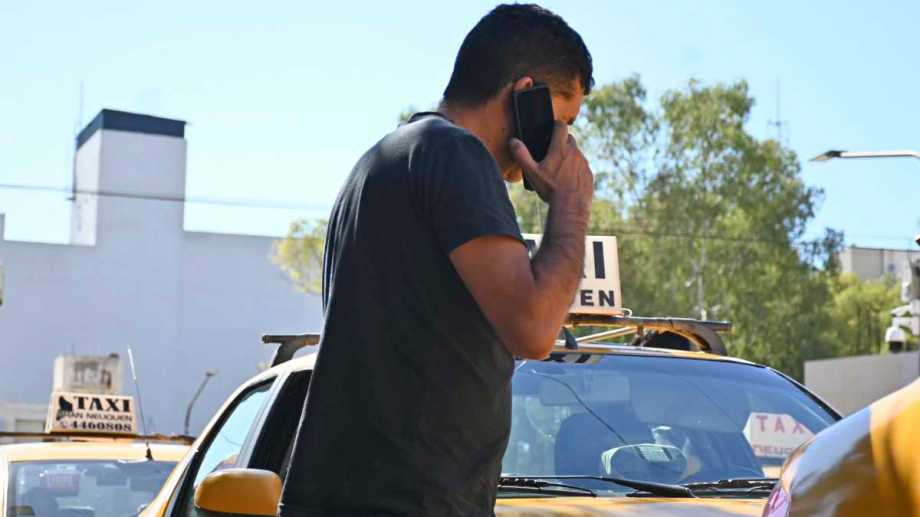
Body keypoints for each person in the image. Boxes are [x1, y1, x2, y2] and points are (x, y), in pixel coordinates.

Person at [279, 4, 595, 516]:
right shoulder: (456, 155)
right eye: (563, 121)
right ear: (526, 94)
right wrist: (572, 203)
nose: (565, 143)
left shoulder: (383, 161)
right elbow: (535, 330)